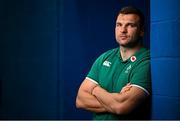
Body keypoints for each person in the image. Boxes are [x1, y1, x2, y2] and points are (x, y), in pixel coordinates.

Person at [76, 6, 151, 120]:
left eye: (130, 25)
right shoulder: (104, 58)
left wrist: (95, 89)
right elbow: (80, 100)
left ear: (141, 31)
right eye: (119, 25)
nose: (123, 30)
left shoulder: (146, 61)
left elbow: (122, 106)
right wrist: (115, 101)